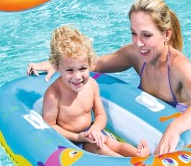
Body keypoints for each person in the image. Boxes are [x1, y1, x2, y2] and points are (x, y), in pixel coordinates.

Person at [28, 0, 191, 155]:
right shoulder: (136, 54)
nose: (139, 43)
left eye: (146, 35)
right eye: (134, 33)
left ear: (166, 34)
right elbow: (93, 64)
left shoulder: (179, 66)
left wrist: (174, 127)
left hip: (179, 135)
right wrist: (57, 64)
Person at [42, 25, 149, 157]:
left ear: (89, 64)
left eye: (82, 68)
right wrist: (78, 137)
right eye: (69, 70)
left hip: (92, 131)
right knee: (101, 149)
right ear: (57, 68)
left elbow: (100, 115)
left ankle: (138, 154)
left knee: (115, 144)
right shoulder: (54, 95)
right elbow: (50, 127)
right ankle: (128, 164)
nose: (77, 76)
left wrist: (95, 129)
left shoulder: (91, 85)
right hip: (72, 142)